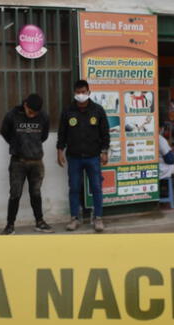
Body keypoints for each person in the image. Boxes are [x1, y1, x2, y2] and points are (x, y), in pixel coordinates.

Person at [57, 80, 109, 232]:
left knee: (97, 187)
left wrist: (104, 151)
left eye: (83, 92)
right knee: (74, 188)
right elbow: (62, 133)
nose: (81, 95)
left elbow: (105, 133)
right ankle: (74, 218)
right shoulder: (67, 111)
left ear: (89, 92)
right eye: (78, 92)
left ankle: (98, 218)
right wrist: (60, 151)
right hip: (74, 157)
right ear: (74, 93)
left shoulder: (98, 110)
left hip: (93, 157)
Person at [0, 94, 53, 235]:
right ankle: (10, 226)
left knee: (36, 193)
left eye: (35, 113)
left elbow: (44, 136)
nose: (32, 115)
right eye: (30, 111)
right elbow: (4, 132)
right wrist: (17, 144)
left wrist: (32, 145)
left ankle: (39, 222)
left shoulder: (44, 117)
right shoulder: (12, 115)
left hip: (36, 161)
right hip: (18, 162)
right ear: (25, 105)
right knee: (15, 194)